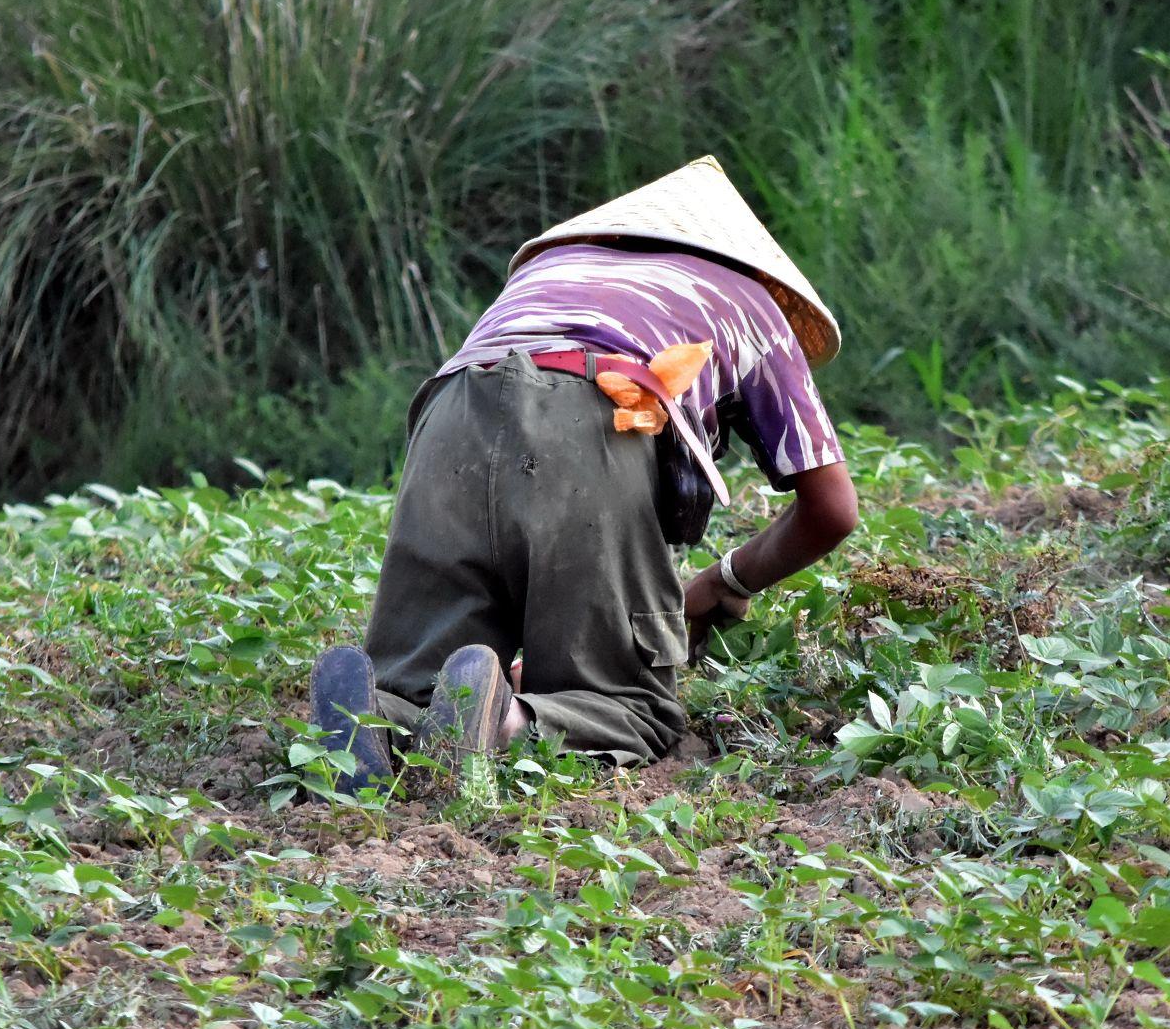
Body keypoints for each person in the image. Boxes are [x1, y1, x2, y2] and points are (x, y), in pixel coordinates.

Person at [309, 156, 859, 784]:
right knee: (631, 708)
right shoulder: (751, 302)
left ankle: (373, 715)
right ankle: (503, 724)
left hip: (450, 417)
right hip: (595, 418)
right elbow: (832, 509)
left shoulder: (552, 267)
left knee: (421, 682)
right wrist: (728, 578)